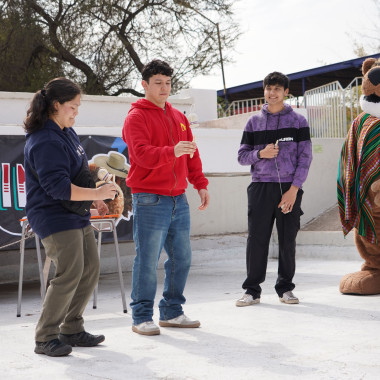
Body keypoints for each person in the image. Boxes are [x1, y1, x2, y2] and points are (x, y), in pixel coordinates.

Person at [24, 78, 117, 356]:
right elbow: (58, 187)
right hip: (53, 215)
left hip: (73, 213)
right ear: (56, 105)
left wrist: (98, 185)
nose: (76, 112)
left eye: (78, 107)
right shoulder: (45, 140)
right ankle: (45, 336)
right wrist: (96, 194)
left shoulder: (66, 132)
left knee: (89, 269)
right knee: (70, 273)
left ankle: (72, 328)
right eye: (72, 107)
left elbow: (81, 169)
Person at [122, 59, 210, 336]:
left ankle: (172, 312)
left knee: (182, 258)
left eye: (168, 83)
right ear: (144, 85)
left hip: (178, 199)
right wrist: (171, 151)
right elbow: (140, 155)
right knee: (147, 260)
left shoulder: (180, 117)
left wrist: (200, 183)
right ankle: (141, 316)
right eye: (157, 83)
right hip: (149, 198)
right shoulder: (136, 117)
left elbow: (191, 153)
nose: (163, 88)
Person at [236, 71, 312, 307]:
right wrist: (261, 154)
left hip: (289, 188)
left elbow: (305, 158)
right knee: (257, 239)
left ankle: (285, 289)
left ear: (286, 92)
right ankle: (252, 291)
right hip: (260, 187)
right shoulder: (253, 122)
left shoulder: (299, 122)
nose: (272, 93)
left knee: (287, 240)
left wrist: (294, 189)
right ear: (265, 90)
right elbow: (241, 157)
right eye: (269, 88)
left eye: (278, 89)